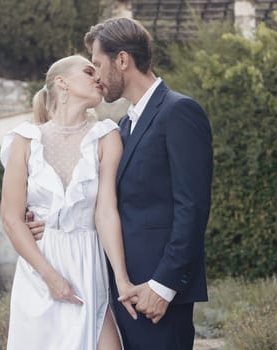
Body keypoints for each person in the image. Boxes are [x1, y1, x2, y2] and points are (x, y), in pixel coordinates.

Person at [84, 17, 213, 350]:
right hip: (121, 294)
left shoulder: (180, 111)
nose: (95, 75)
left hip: (156, 299)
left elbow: (192, 208)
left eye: (98, 63)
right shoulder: (123, 125)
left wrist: (164, 286)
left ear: (123, 60)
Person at [0, 54, 137, 350]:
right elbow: (11, 219)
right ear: (62, 83)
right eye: (88, 71)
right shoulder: (24, 141)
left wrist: (122, 279)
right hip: (40, 267)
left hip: (88, 261)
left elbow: (106, 213)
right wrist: (51, 278)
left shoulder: (107, 136)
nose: (98, 77)